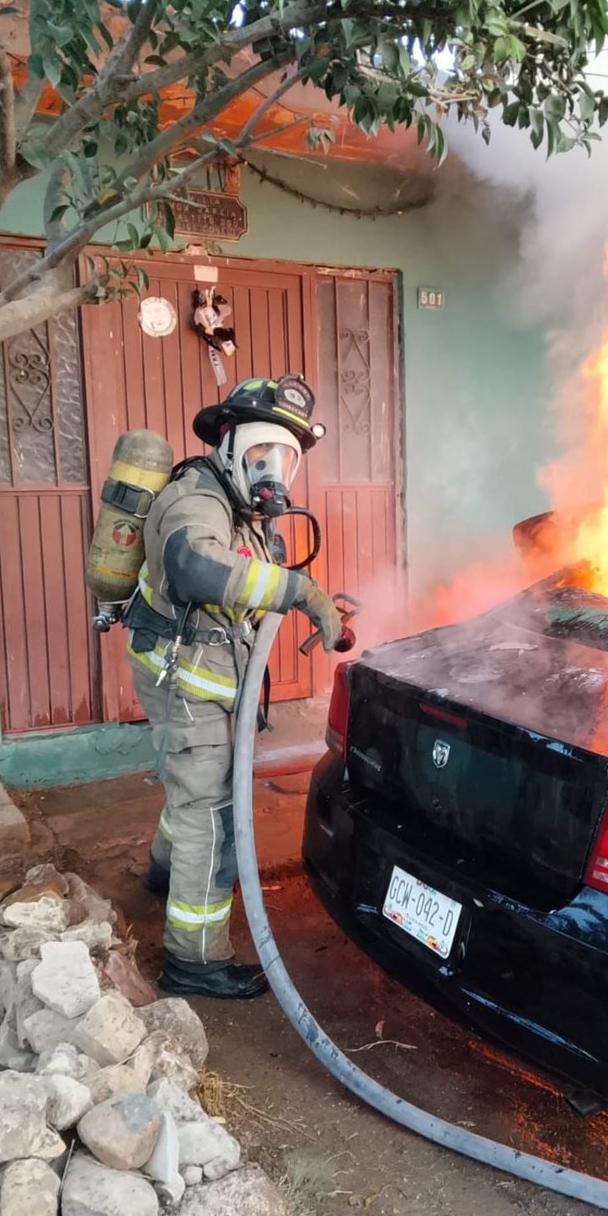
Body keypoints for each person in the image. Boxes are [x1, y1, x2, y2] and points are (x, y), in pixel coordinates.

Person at [124, 374, 342, 1000]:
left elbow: (249, 578)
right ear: (228, 444)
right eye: (260, 452)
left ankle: (165, 875)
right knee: (212, 815)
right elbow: (194, 565)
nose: (273, 467)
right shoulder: (197, 499)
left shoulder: (237, 506)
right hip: (187, 682)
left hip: (204, 677)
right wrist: (299, 591)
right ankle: (194, 959)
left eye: (287, 457)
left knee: (193, 792)